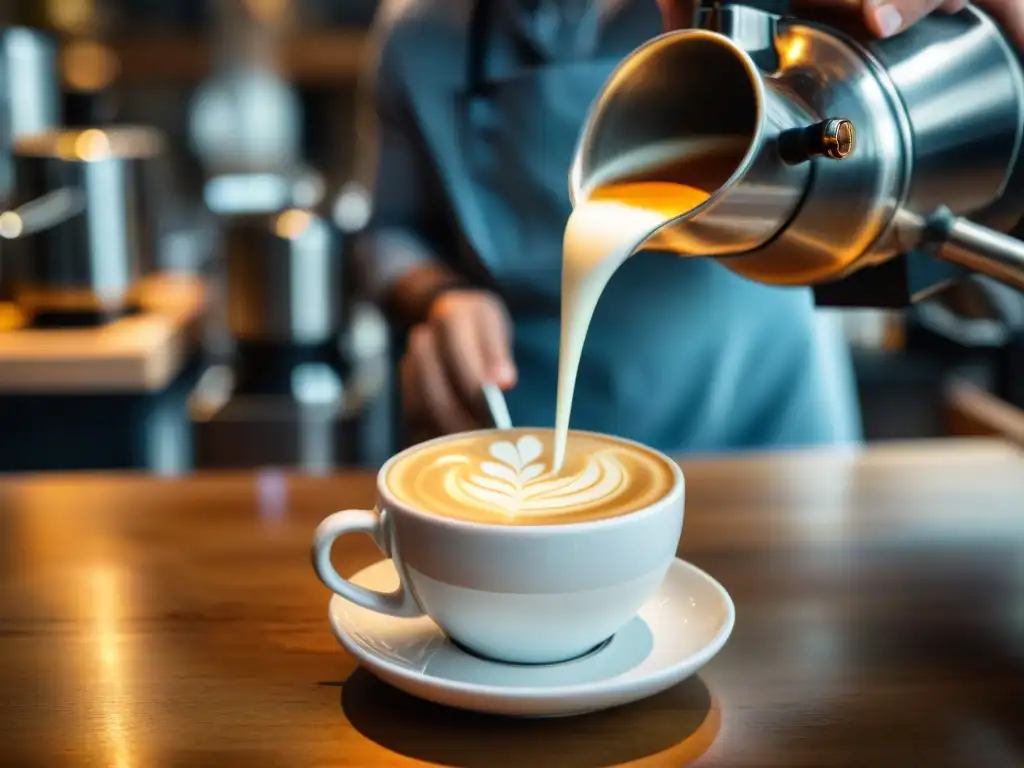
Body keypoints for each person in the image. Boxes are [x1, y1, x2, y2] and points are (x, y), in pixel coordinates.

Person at [356, 0, 1021, 453]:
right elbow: (388, 229)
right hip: (538, 439)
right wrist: (437, 295)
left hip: (770, 436)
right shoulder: (420, 34)